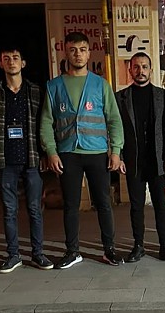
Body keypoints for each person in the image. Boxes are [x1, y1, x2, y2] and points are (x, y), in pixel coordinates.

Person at [41, 31, 125, 268]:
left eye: (82, 50)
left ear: (89, 53)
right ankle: (72, 251)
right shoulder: (54, 86)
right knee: (71, 205)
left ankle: (109, 250)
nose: (78, 54)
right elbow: (46, 122)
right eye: (73, 50)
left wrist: (116, 151)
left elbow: (114, 119)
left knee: (103, 203)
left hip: (97, 153)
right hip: (68, 154)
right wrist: (51, 151)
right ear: (65, 53)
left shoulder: (100, 85)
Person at [0, 47, 53, 274]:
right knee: (9, 210)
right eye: (6, 59)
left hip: (31, 159)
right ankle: (13, 255)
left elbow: (44, 124)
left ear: (23, 63)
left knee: (35, 209)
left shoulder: (35, 91)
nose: (11, 62)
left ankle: (38, 254)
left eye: (15, 58)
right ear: (0, 64)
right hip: (5, 160)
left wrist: (45, 153)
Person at [115, 52, 165, 262]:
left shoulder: (162, 95)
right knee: (136, 206)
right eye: (136, 67)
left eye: (144, 67)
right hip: (133, 160)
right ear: (130, 70)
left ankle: (164, 246)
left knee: (160, 205)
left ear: (151, 70)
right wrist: (118, 156)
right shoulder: (120, 98)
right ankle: (138, 246)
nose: (140, 71)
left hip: (158, 159)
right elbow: (115, 129)